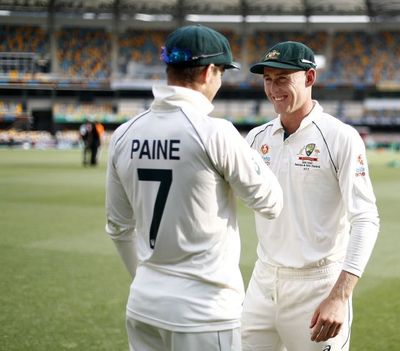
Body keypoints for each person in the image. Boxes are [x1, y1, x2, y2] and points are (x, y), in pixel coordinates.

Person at [105, 25, 283, 351]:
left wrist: (148, 280)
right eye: (221, 73)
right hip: (204, 312)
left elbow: (118, 227)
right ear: (206, 72)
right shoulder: (215, 132)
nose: (220, 82)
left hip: (144, 304)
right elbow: (271, 202)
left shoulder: (124, 134)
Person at [242, 41, 380, 351]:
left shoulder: (340, 137)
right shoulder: (256, 138)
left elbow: (366, 218)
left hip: (317, 286)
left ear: (309, 78)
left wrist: (340, 296)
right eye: (267, 79)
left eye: (282, 79)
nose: (273, 88)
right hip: (262, 282)